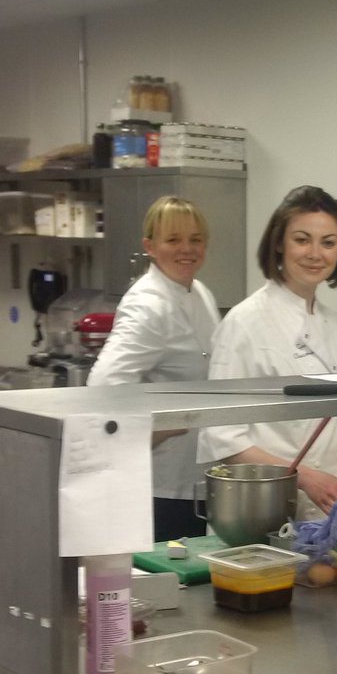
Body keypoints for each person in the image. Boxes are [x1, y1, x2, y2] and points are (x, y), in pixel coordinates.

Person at [197, 185, 337, 519]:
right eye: (302, 239)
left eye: (328, 242)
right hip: (261, 511)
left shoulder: (331, 322)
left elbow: (323, 420)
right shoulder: (245, 323)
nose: (315, 253)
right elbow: (222, 439)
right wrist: (303, 477)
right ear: (279, 242)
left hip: (326, 511)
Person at [88, 195, 220, 541]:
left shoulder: (199, 292)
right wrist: (158, 429)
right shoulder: (147, 305)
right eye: (173, 239)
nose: (187, 249)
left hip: (198, 479)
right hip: (160, 486)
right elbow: (102, 387)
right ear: (150, 246)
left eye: (195, 239)